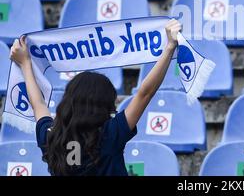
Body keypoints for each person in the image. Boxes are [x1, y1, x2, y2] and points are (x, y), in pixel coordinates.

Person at [9, 19, 182, 176]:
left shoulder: (51, 136)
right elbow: (145, 92)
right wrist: (169, 47)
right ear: (104, 105)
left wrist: (25, 64)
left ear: (68, 101)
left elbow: (38, 104)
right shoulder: (110, 135)